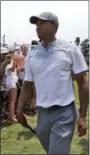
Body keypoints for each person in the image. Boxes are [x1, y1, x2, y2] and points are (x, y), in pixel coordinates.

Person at [16, 12, 89, 154]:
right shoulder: (33, 54)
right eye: (36, 24)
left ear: (54, 26)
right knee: (51, 150)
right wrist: (19, 109)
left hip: (64, 113)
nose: (37, 27)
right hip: (42, 114)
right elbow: (27, 85)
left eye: (42, 23)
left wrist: (83, 117)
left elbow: (83, 83)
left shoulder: (70, 49)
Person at [0, 47, 11, 129]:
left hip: (2, 87)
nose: (5, 56)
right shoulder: (2, 64)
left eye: (5, 54)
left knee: (2, 105)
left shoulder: (2, 62)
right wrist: (4, 66)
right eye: (3, 54)